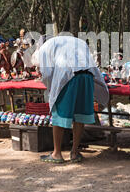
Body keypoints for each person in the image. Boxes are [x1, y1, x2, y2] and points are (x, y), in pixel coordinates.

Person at [32, 35, 109, 163]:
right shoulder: (74, 41)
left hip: (68, 77)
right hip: (87, 76)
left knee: (59, 113)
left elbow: (47, 74)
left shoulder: (44, 48)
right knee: (79, 114)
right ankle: (74, 152)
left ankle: (57, 154)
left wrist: (50, 87)